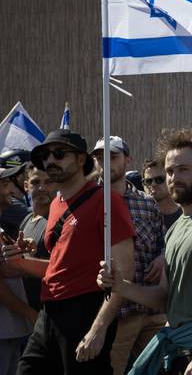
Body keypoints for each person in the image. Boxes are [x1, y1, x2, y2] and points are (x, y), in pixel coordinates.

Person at [98, 129, 192, 374]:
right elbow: (164, 297)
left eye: (183, 169)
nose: (174, 178)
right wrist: (120, 286)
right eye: (170, 171)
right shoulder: (175, 227)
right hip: (177, 347)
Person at [0, 130, 136, 374]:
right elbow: (58, 267)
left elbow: (125, 273)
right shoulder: (55, 204)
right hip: (48, 312)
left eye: (59, 154)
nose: (50, 160)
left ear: (81, 159)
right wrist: (21, 262)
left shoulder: (106, 201)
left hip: (85, 311)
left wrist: (98, 329)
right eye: (45, 155)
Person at [91, 136, 168, 374]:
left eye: (113, 157)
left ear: (127, 160)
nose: (106, 163)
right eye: (100, 158)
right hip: (114, 312)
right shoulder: (89, 202)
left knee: (159, 370)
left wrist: (163, 256)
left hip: (150, 308)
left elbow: (163, 241)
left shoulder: (147, 203)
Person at [0, 165, 33, 375]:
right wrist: (30, 313)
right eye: (3, 184)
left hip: (9, 332)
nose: (11, 189)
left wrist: (20, 255)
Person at [15, 165, 54, 312]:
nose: (42, 188)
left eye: (48, 182)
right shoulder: (26, 220)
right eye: (36, 182)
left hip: (50, 312)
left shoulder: (59, 221)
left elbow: (64, 268)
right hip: (30, 314)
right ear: (26, 185)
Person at [143, 159, 182, 229]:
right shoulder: (143, 216)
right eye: (148, 181)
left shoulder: (186, 213)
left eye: (159, 179)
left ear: (169, 179)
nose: (153, 184)